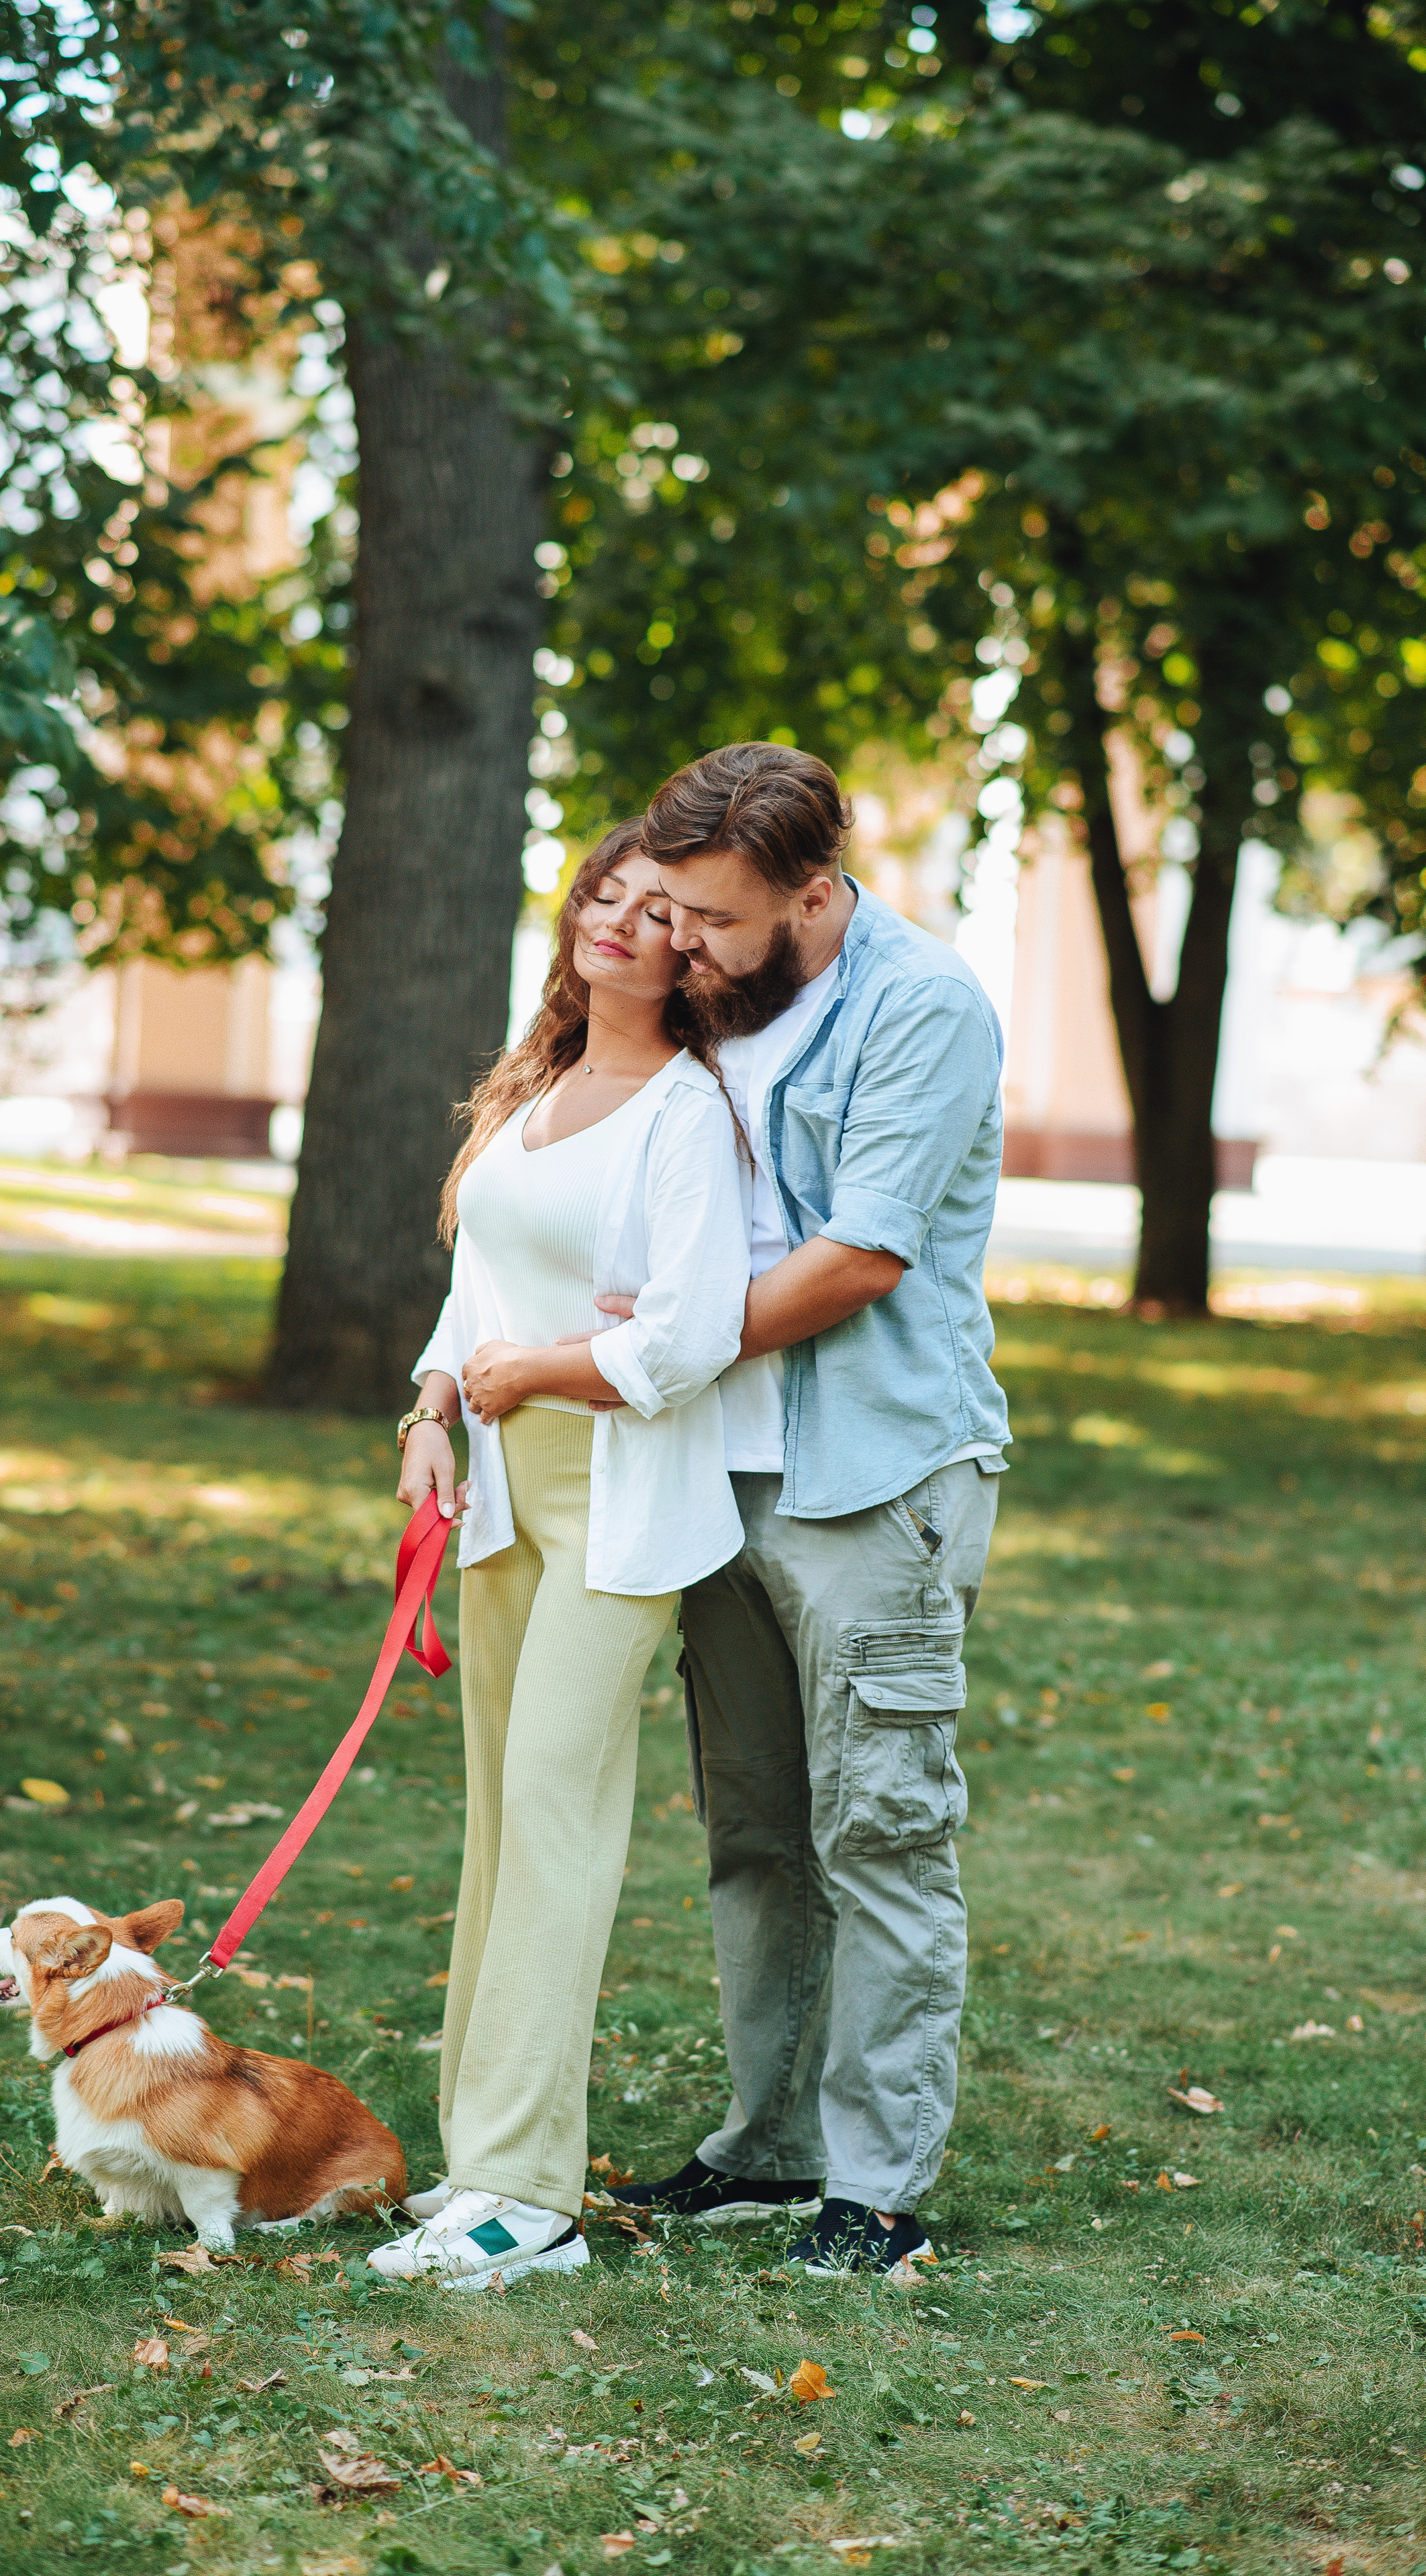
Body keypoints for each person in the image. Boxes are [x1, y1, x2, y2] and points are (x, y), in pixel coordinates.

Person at [602, 742, 1011, 2277]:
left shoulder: (921, 1006)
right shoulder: (721, 998)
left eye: (711, 917)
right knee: (756, 1832)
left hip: (875, 1476)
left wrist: (640, 1353)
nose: (682, 944)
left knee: (880, 1830)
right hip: (727, 1470)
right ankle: (766, 2145)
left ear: (814, 890)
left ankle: (876, 2186)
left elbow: (859, 1261)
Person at [369, 819, 751, 2292]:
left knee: (554, 1812)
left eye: (661, 909)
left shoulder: (683, 1113)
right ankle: (479, 2158)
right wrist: (436, 1405)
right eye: (609, 886)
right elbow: (478, 1289)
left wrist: (530, 1373)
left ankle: (526, 2195)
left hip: (619, 1496)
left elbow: (688, 1333)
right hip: (501, 1493)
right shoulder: (531, 1087)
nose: (619, 914)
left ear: (691, 953)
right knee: (492, 1819)